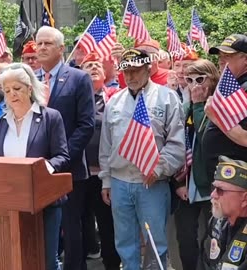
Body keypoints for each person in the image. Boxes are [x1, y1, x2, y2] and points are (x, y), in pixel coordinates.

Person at [99, 48, 185, 270]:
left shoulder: (167, 98)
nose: (130, 76)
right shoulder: (114, 102)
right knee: (125, 242)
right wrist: (106, 180)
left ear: (149, 68)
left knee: (156, 242)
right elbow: (106, 146)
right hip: (119, 181)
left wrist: (158, 168)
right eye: (126, 71)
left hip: (153, 182)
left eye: (135, 71)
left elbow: (176, 143)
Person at [0, 63, 70, 270]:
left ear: (29, 89)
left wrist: (42, 171)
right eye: (7, 91)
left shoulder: (50, 117)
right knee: (16, 258)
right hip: (10, 202)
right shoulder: (1, 122)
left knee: (46, 260)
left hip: (44, 201)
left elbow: (62, 156)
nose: (12, 94)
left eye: (17, 88)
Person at [35, 26, 95, 270]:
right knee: (40, 228)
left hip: (68, 168)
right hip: (35, 169)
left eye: (48, 43)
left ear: (62, 49)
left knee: (71, 229)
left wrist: (61, 158)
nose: (41, 48)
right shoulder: (30, 80)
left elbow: (86, 124)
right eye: (39, 43)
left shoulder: (79, 78)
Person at [172, 59, 219, 270]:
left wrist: (199, 104)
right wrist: (178, 183)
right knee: (185, 237)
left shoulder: (219, 104)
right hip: (187, 184)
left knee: (213, 239)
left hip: (211, 184)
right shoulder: (183, 105)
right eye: (190, 80)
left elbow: (207, 137)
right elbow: (176, 144)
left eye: (200, 79)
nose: (194, 85)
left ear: (212, 79)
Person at [80, 52, 121, 270]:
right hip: (79, 173)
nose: (94, 67)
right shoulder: (75, 98)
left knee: (107, 225)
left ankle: (111, 264)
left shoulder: (115, 96)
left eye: (97, 65)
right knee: (79, 223)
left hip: (105, 174)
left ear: (106, 73)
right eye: (88, 65)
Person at [203, 34, 247, 187]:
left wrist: (216, 117)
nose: (221, 60)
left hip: (237, 185)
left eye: (228, 56)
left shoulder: (244, 90)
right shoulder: (235, 85)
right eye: (220, 55)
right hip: (224, 182)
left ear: (245, 59)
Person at [201, 156, 247, 269]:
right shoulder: (216, 222)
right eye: (213, 188)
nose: (213, 195)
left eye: (220, 190)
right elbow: (203, 263)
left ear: (244, 199)